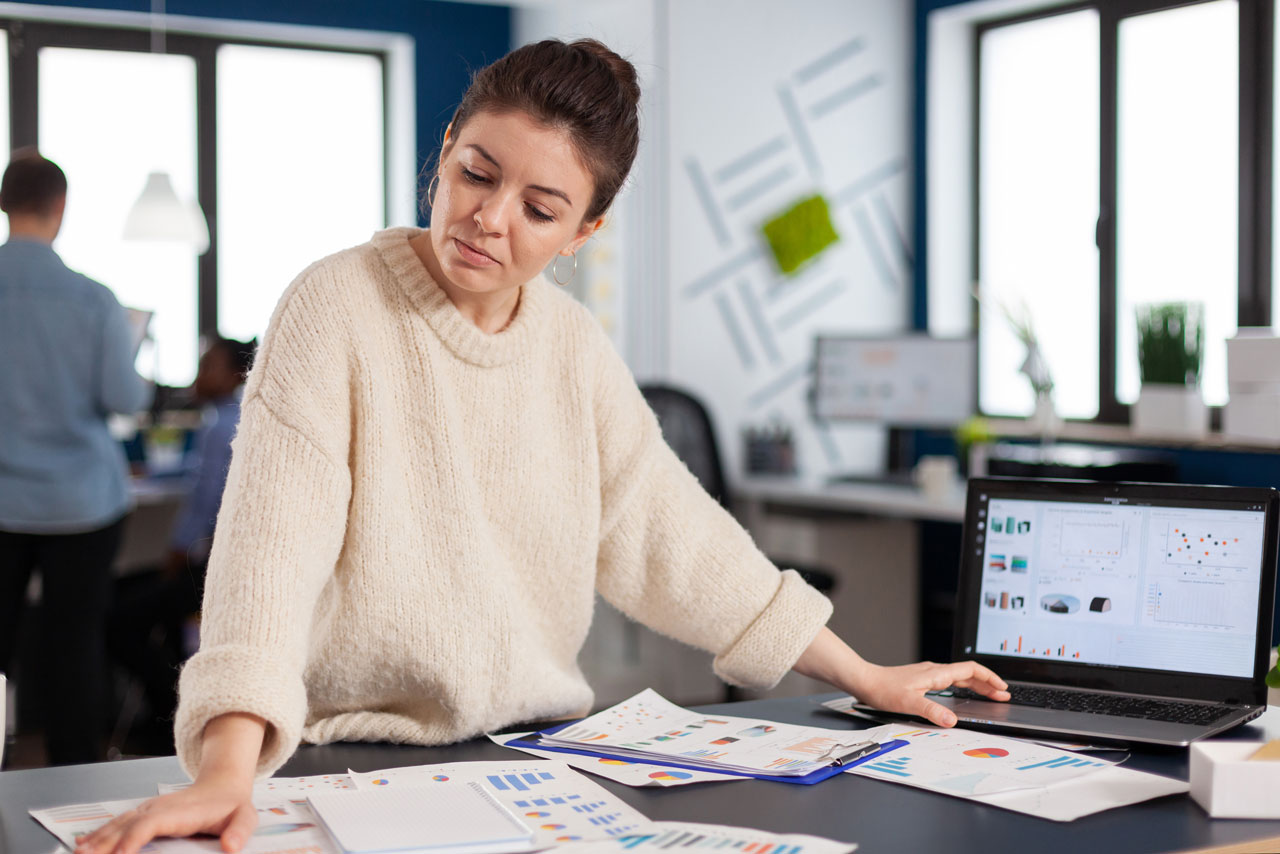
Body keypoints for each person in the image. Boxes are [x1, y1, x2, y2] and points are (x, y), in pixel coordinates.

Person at [79, 39, 1008, 854]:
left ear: (583, 232)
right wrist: (225, 772)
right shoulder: (335, 306)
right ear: (444, 152)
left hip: (538, 763)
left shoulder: (572, 349)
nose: (491, 218)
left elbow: (678, 539)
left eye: (540, 206)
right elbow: (266, 561)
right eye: (478, 174)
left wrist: (868, 674)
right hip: (341, 759)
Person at [0, 151, 151, 766]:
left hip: (3, 504)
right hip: (82, 503)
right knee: (75, 644)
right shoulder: (93, 300)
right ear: (60, 208)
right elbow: (123, 398)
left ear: (6, 204)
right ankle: (74, 784)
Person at [107, 337, 255, 752]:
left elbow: (204, 499)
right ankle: (171, 713)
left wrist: (175, 552)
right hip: (225, 563)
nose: (199, 374)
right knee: (149, 600)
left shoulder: (219, 425)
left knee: (120, 616)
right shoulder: (236, 418)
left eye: (209, 365)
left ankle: (168, 717)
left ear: (235, 374)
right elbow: (202, 477)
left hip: (209, 565)